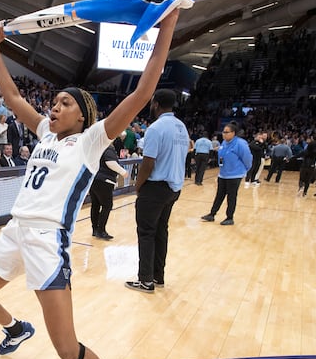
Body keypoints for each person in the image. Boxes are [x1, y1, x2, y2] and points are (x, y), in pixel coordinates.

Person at [0, 7, 180, 359]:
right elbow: (9, 96)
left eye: (64, 103)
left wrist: (169, 21)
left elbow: (142, 91)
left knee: (65, 349)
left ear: (83, 115)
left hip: (47, 242)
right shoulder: (44, 133)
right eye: (53, 102)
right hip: (14, 232)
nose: (53, 107)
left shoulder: (90, 141)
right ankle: (15, 327)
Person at [124, 89, 188, 292]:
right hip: (173, 188)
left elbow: (148, 162)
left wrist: (138, 184)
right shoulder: (182, 127)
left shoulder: (156, 128)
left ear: (156, 104)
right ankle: (158, 276)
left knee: (146, 233)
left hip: (155, 187)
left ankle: (145, 280)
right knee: (161, 231)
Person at [201, 122, 252, 225]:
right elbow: (221, 156)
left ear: (233, 133)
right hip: (223, 174)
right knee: (219, 195)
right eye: (223, 132)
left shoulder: (240, 143)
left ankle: (229, 217)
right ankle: (212, 214)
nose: (224, 134)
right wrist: (221, 167)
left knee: (231, 197)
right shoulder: (224, 143)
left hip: (234, 175)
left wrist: (244, 170)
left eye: (226, 132)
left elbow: (247, 159)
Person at [89, 144, 127, 241]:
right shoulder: (108, 149)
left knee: (95, 205)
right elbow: (110, 163)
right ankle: (101, 231)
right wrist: (123, 172)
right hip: (105, 180)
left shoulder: (96, 148)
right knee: (107, 206)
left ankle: (95, 229)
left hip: (93, 179)